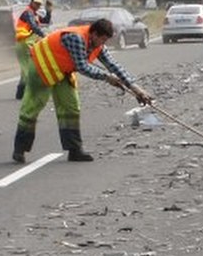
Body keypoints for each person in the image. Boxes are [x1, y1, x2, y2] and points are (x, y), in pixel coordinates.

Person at [12, 18, 152, 163]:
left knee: (71, 108)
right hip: (42, 65)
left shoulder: (98, 45)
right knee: (32, 107)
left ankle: (74, 151)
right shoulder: (76, 38)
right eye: (102, 40)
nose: (103, 44)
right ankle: (19, 149)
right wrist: (106, 77)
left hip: (62, 70)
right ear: (94, 34)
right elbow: (82, 67)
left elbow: (112, 64)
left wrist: (136, 88)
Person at [14, 0, 48, 100]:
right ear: (31, 2)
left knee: (26, 69)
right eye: (36, 3)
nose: (37, 5)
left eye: (39, 4)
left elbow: (42, 22)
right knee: (29, 69)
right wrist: (44, 35)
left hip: (27, 43)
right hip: (23, 43)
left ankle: (20, 93)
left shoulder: (33, 13)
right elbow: (33, 26)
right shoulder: (28, 13)